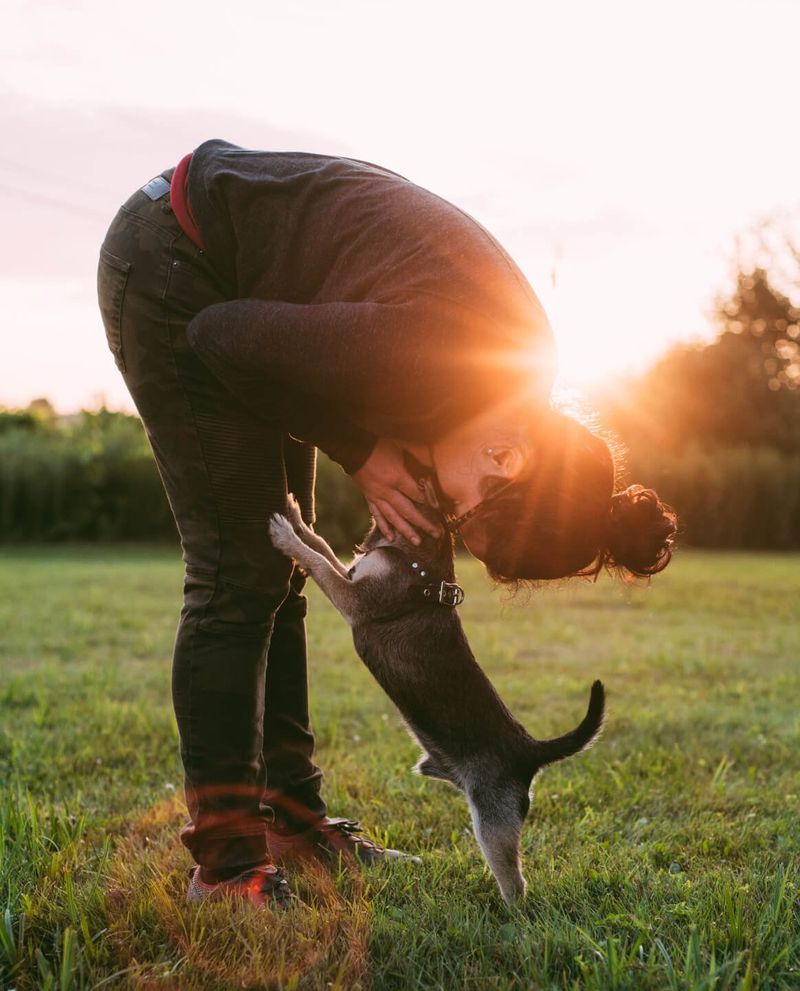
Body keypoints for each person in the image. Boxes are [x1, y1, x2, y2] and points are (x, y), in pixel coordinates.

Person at [97, 140, 677, 907]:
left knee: (279, 574)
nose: (439, 508)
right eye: (461, 507)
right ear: (508, 458)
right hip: (177, 259)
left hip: (233, 279)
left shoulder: (512, 376)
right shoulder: (441, 357)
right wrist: (360, 449)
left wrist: (369, 443)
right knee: (238, 569)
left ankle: (294, 825)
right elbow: (217, 337)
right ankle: (228, 869)